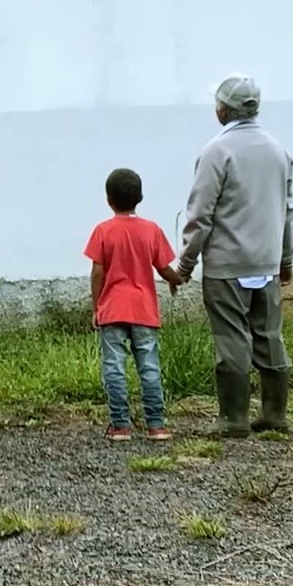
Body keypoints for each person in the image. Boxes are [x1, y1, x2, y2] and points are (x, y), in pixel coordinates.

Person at [178, 74, 293, 438]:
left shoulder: (217, 151)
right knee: (269, 335)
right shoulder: (279, 150)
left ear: (223, 110)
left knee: (232, 338)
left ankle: (233, 418)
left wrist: (186, 262)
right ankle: (275, 413)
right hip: (267, 261)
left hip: (228, 264)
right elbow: (288, 209)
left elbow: (201, 214)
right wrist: (286, 258)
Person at [84, 168, 182, 442]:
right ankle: (156, 425)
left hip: (113, 308)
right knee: (149, 366)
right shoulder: (151, 230)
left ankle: (120, 425)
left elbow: (97, 272)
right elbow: (163, 267)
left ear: (108, 199)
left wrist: (96, 307)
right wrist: (178, 279)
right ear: (140, 197)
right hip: (143, 309)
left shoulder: (102, 230)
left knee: (114, 367)